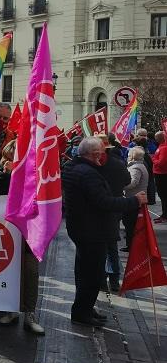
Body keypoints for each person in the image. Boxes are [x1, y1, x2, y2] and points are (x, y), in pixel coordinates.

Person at [62, 137, 145, 327]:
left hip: (81, 228)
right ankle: (83, 312)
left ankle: (85, 307)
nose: (103, 155)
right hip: (93, 231)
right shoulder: (88, 173)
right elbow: (104, 202)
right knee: (91, 274)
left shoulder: (72, 167)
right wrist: (134, 201)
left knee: (84, 272)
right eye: (101, 152)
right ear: (95, 154)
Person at [0, 140, 44, 335]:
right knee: (9, 272)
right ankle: (10, 309)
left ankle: (30, 314)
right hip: (7, 234)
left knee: (30, 272)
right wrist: (7, 175)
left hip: (29, 234)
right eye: (11, 158)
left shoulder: (35, 176)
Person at [95, 134, 130, 292]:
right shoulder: (118, 164)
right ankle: (114, 279)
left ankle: (102, 280)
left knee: (99, 247)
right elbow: (127, 181)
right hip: (115, 209)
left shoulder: (94, 165)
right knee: (111, 247)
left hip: (96, 211)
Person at [122, 146, 150, 252]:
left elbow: (133, 183)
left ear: (133, 156)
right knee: (133, 224)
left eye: (129, 155)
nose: (127, 157)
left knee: (130, 224)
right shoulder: (140, 165)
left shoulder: (135, 168)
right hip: (138, 198)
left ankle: (130, 245)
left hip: (134, 199)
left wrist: (121, 186)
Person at [131, 128, 156, 204]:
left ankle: (142, 198)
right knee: (150, 179)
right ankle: (151, 199)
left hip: (141, 161)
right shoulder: (151, 143)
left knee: (141, 180)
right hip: (149, 161)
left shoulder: (134, 144)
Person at [152, 131, 167, 224]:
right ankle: (164, 214)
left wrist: (153, 159)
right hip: (159, 174)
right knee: (162, 196)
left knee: (164, 195)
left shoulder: (164, 148)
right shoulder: (161, 147)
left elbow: (161, 163)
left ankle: (165, 215)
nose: (155, 139)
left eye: (156, 137)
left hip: (162, 175)